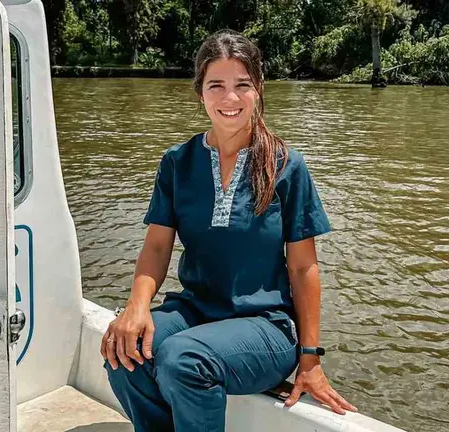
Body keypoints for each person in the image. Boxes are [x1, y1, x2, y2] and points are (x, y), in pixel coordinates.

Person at [99, 29, 357, 432]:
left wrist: (310, 359)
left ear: (259, 89)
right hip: (195, 312)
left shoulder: (286, 166)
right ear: (200, 91)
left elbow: (303, 268)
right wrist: (136, 307)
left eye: (242, 85)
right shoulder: (177, 162)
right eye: (216, 85)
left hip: (266, 326)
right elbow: (157, 248)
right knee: (123, 350)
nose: (230, 98)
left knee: (183, 358)